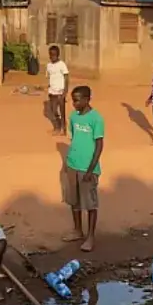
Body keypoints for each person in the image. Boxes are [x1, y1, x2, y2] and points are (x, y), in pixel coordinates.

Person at [63, 85, 103, 252]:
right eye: (73, 100)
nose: (74, 103)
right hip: (73, 164)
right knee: (74, 201)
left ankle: (90, 237)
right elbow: (74, 139)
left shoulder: (96, 119)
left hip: (88, 168)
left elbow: (99, 145)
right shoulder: (73, 117)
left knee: (90, 204)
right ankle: (77, 230)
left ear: (87, 99)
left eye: (77, 100)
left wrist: (90, 170)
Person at [45, 45, 70, 135]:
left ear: (58, 55)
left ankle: (64, 129)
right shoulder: (49, 66)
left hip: (60, 92)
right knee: (54, 110)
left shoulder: (62, 64)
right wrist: (48, 87)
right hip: (52, 92)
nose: (52, 57)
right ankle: (57, 127)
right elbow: (50, 77)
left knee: (62, 112)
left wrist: (65, 91)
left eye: (54, 55)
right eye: (51, 55)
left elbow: (66, 77)